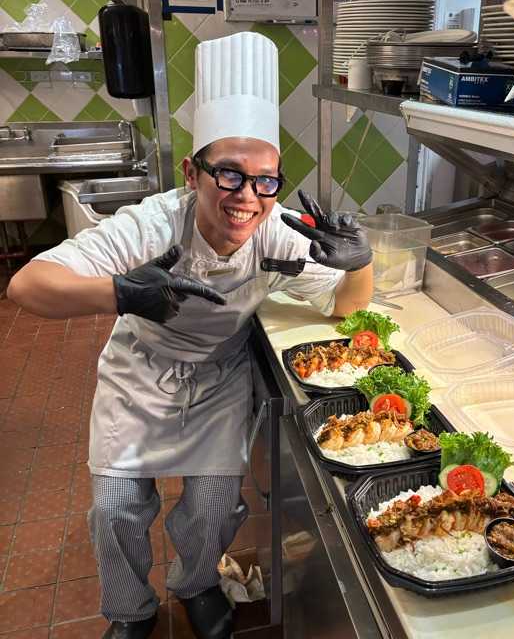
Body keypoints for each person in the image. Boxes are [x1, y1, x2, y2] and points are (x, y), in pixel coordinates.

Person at [7, 32, 373, 639]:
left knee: (214, 502)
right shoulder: (151, 224)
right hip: (140, 371)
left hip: (219, 376)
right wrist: (121, 294)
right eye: (229, 174)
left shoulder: (277, 229)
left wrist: (360, 263)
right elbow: (27, 285)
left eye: (265, 181)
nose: (247, 198)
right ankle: (131, 610)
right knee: (117, 507)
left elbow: (346, 305)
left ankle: (197, 582)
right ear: (192, 173)